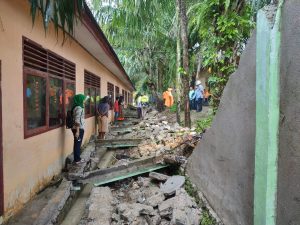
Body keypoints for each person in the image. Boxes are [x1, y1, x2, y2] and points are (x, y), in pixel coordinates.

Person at [71, 94, 86, 164]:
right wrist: (77, 131)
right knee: (77, 144)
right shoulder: (79, 108)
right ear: (80, 100)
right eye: (83, 99)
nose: (84, 101)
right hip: (78, 129)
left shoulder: (75, 107)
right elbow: (77, 120)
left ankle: (77, 158)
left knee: (77, 143)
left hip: (75, 128)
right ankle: (77, 160)